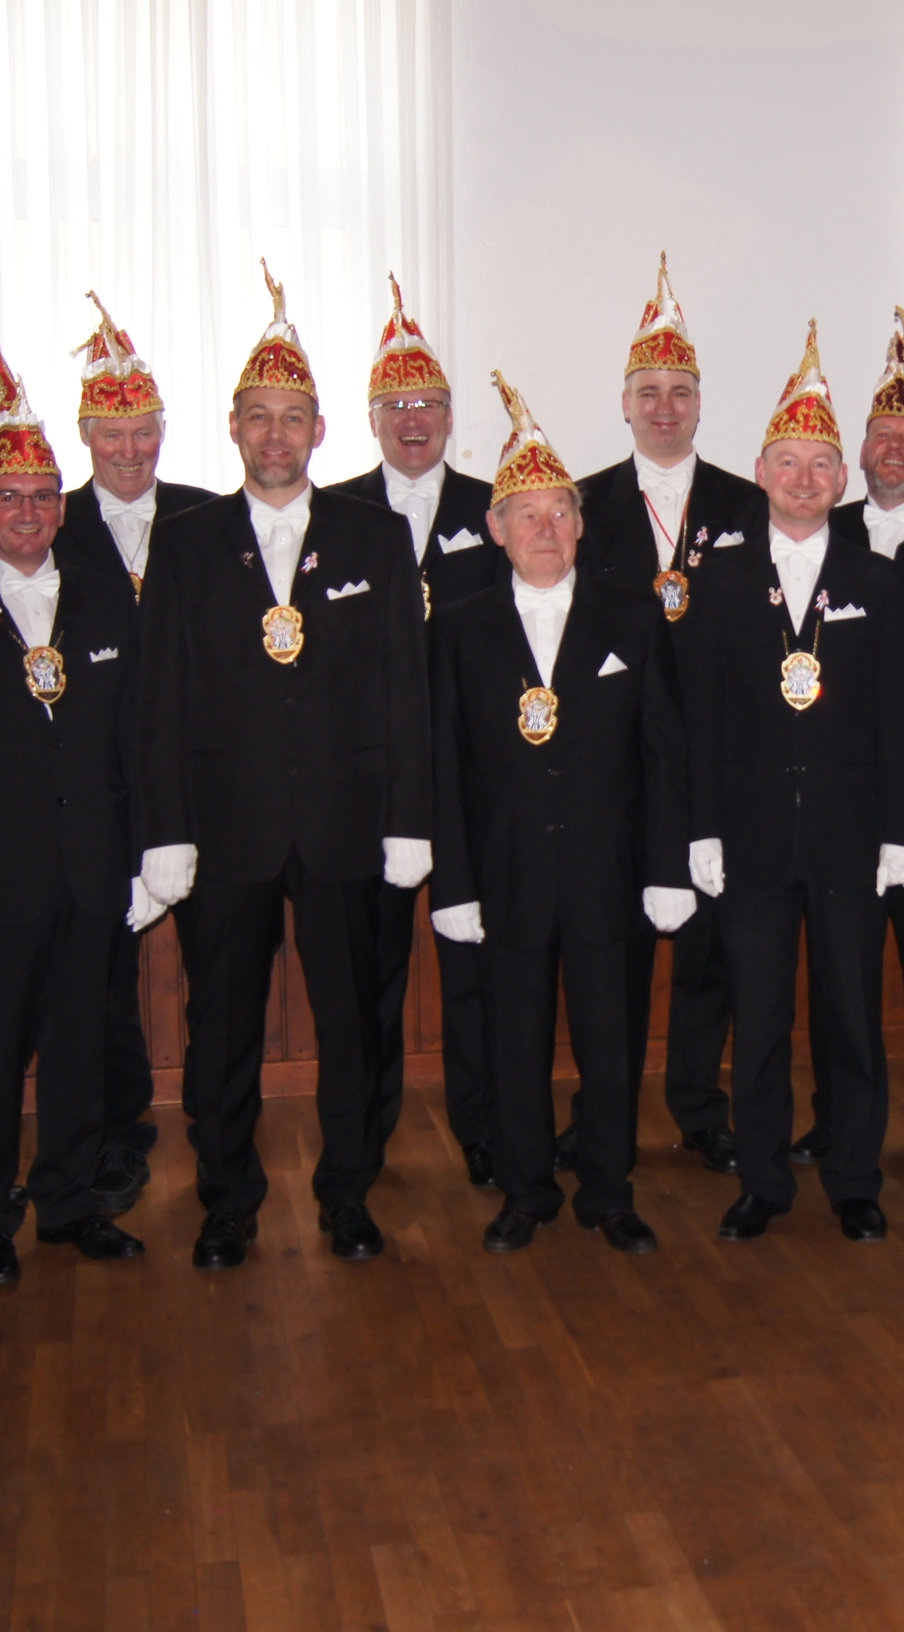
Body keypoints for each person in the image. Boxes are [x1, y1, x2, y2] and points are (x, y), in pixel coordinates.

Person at [135, 264, 433, 1270]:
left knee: (354, 1025)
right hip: (226, 831)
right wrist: (165, 829)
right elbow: (160, 697)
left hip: (348, 825)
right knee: (220, 1028)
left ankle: (348, 1193)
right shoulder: (186, 545)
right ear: (232, 428)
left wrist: (409, 816)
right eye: (258, 418)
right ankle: (227, 1201)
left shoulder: (375, 536)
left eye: (292, 418)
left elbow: (403, 688)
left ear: (320, 431)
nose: (275, 436)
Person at [428, 374, 693, 1255]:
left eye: (559, 513)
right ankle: (526, 1190)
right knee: (513, 1043)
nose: (544, 528)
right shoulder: (457, 628)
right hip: (503, 875)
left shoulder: (634, 618)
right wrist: (453, 883)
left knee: (612, 1044)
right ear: (495, 528)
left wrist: (666, 869)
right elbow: (446, 765)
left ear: (581, 525)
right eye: (526, 515)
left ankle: (609, 1191)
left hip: (608, 876)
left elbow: (664, 753)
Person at [0, 349, 150, 1285]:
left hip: (91, 863)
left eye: (43, 495)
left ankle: (70, 1202)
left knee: (81, 1043)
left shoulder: (106, 600)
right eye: (6, 496)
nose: (26, 511)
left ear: (61, 504)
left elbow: (135, 736)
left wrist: (145, 852)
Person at [685, 323, 904, 1244]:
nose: (804, 477)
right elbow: (699, 716)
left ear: (841, 478)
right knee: (758, 1018)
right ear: (760, 471)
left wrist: (902, 831)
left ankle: (856, 1178)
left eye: (821, 463)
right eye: (788, 462)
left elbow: (903, 716)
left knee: (852, 1016)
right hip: (748, 838)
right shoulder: (719, 581)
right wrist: (702, 827)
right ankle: (763, 1181)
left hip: (850, 837)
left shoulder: (881, 580)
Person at [573, 255, 762, 1176]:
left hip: (719, 759)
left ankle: (697, 1104)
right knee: (613, 955)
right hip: (618, 764)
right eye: (648, 392)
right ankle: (601, 1116)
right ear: (624, 403)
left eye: (679, 392)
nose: (664, 407)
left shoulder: (749, 504)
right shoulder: (579, 506)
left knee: (708, 951)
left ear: (699, 404)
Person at [324, 276, 503, 1192]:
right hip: (373, 783)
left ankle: (484, 1127)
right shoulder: (332, 517)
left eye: (427, 402)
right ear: (369, 420)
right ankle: (365, 1134)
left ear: (450, 414)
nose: (413, 420)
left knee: (475, 962)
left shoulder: (498, 508)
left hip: (476, 778)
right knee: (372, 969)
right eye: (394, 406)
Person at [57, 293, 218, 1215]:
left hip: (199, 786)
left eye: (143, 432)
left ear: (164, 433)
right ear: (85, 435)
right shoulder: (46, 524)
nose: (130, 450)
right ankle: (118, 1134)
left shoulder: (207, 519)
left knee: (216, 967)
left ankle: (216, 1122)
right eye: (112, 433)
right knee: (101, 980)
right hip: (92, 793)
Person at [811, 307, 904, 1158]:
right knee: (841, 979)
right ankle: (839, 1121)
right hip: (838, 804)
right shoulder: (817, 533)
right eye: (882, 435)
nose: (895, 448)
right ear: (859, 451)